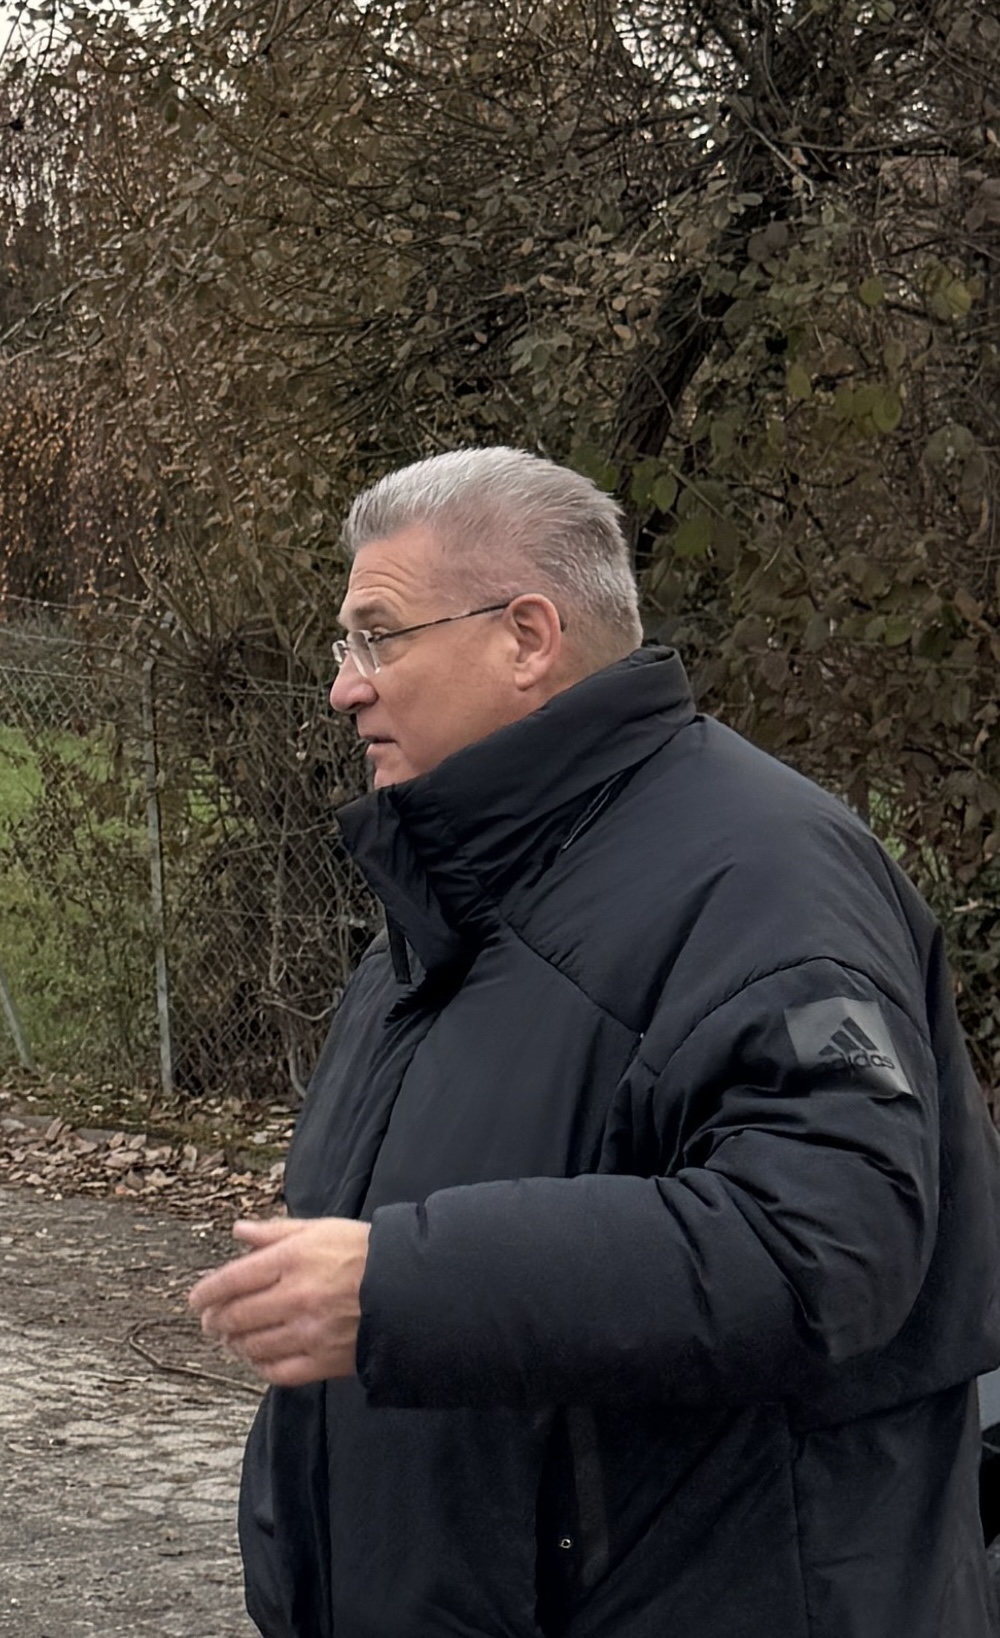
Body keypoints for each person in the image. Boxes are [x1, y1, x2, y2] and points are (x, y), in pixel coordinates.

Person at [187, 447, 1000, 1636]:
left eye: (376, 636)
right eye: (340, 646)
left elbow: (822, 1241)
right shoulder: (450, 899)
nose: (342, 689)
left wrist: (402, 1285)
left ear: (526, 636)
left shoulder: (764, 875)